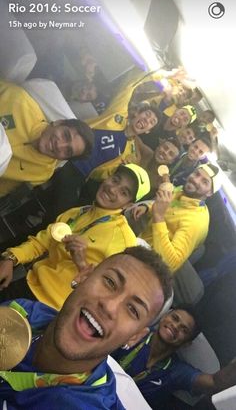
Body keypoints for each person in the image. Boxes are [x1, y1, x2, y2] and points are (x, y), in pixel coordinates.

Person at [0, 246, 173, 409]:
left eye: (133, 310)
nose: (109, 306)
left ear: (134, 337)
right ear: (83, 276)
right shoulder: (23, 312)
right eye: (110, 282)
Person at [0, 164, 151, 310]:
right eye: (115, 180)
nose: (112, 189)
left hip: (52, 309)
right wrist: (11, 258)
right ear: (107, 177)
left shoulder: (124, 241)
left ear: (128, 205)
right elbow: (42, 241)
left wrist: (82, 264)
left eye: (124, 192)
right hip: (28, 283)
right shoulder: (77, 212)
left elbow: (110, 294)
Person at [112, 306, 236, 410]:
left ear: (186, 343)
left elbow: (215, 382)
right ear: (164, 316)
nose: (175, 326)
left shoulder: (176, 371)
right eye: (175, 318)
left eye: (184, 329)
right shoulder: (136, 331)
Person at [0, 80, 94, 197]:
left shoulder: (42, 173)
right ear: (58, 122)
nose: (60, 145)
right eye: (65, 135)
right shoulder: (19, 100)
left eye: (68, 151)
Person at [129, 163, 221, 271]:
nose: (196, 180)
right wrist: (147, 207)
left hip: (149, 263)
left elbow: (170, 264)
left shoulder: (196, 221)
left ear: (210, 192)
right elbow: (165, 204)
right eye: (196, 174)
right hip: (142, 241)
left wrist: (158, 217)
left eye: (204, 182)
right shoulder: (181, 192)